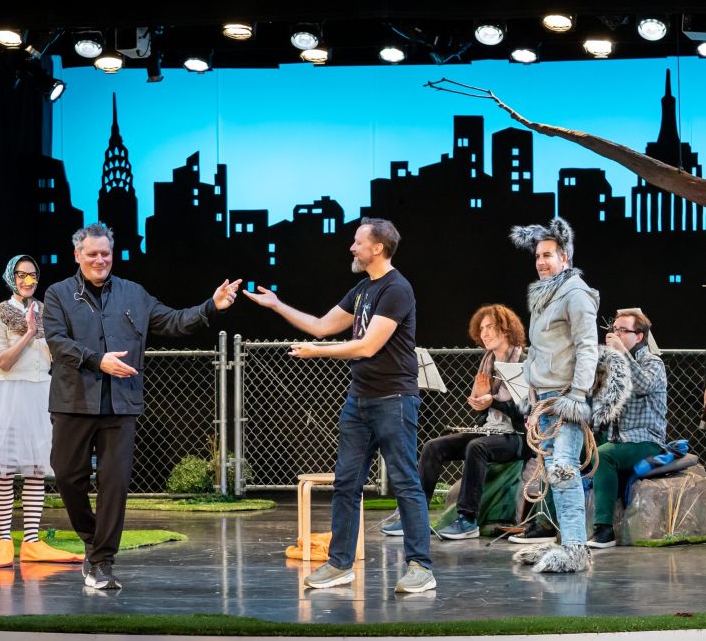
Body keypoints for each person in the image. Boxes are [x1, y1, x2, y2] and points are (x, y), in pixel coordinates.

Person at [43, 223, 240, 590]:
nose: (100, 260)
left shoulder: (133, 294)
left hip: (122, 403)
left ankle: (102, 561)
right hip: (73, 401)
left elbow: (176, 321)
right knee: (68, 476)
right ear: (77, 256)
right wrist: (96, 359)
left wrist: (211, 306)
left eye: (106, 254)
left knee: (114, 483)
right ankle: (91, 541)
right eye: (92, 255)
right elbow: (56, 341)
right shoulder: (58, 294)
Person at [244, 217, 435, 593]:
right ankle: (339, 564)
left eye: (357, 242)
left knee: (405, 482)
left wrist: (318, 353)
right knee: (347, 483)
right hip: (359, 401)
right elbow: (320, 325)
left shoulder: (397, 289)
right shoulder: (362, 289)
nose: (352, 247)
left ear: (377, 247)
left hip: (393, 400)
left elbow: (367, 346)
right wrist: (277, 305)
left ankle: (420, 567)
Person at [0, 255, 83, 569]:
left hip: (41, 394)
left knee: (35, 470)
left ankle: (31, 541)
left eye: (32, 274)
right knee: (4, 470)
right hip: (8, 395)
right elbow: (2, 362)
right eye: (21, 274)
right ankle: (4, 541)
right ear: (10, 277)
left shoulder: (47, 312)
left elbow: (56, 355)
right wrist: (29, 333)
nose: (27, 280)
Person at [382, 304, 527, 540]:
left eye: (491, 327)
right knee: (433, 447)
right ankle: (413, 516)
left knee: (476, 447)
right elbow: (483, 415)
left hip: (518, 437)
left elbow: (527, 414)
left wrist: (493, 402)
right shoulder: (487, 362)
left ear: (507, 329)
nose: (485, 333)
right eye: (482, 329)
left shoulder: (524, 362)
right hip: (490, 431)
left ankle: (467, 520)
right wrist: (481, 402)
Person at [509, 217, 598, 573]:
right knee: (553, 470)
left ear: (565, 257)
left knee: (563, 469)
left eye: (548, 254)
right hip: (545, 398)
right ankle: (566, 541)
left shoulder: (576, 293)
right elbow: (538, 352)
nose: (541, 261)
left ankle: (576, 548)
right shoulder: (547, 295)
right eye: (537, 256)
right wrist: (532, 401)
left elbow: (587, 347)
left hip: (565, 397)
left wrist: (577, 395)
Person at [587, 309, 667, 549]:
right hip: (616, 437)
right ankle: (548, 525)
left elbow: (642, 385)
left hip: (646, 439)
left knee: (604, 456)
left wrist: (622, 354)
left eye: (623, 330)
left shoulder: (653, 362)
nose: (616, 333)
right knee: (568, 449)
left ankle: (604, 530)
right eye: (615, 329)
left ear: (639, 336)